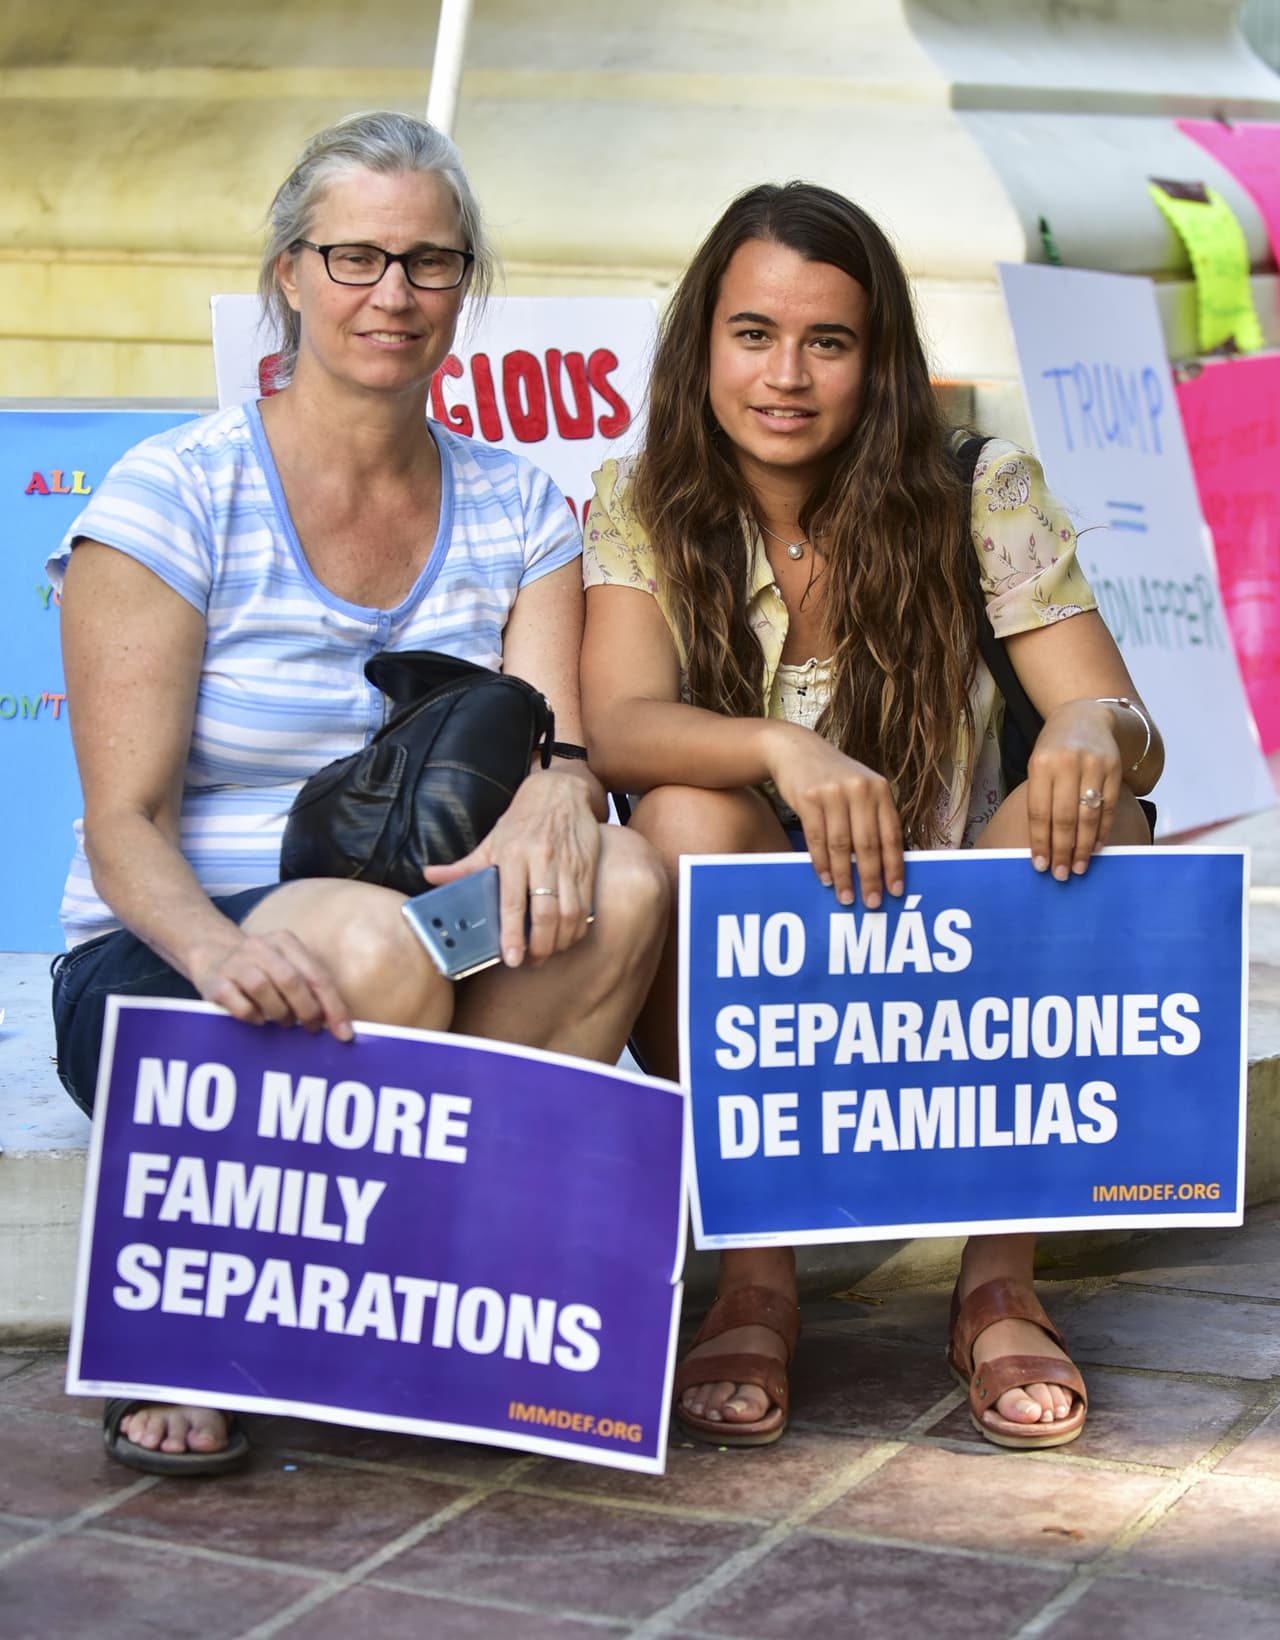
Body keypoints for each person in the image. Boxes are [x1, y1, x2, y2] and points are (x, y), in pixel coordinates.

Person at [48, 110, 667, 1476]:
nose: (395, 294)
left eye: (432, 264)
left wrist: (565, 784)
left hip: (416, 940)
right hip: (176, 965)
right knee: (377, 946)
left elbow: (560, 739)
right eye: (356, 258)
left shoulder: (520, 505)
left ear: (466, 287)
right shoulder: (176, 492)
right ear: (288, 273)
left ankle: (435, 1287)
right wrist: (218, 949)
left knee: (626, 883)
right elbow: (120, 826)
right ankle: (192, 1320)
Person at [580, 182, 1163, 1451]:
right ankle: (756, 1272)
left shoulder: (976, 486)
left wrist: (1085, 729)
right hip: (759, 984)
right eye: (752, 334)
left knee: (1097, 816)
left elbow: (1127, 725)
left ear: (874, 359)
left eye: (826, 342)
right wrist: (780, 749)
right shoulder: (641, 496)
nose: (784, 375)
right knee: (677, 814)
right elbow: (618, 722)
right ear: (702, 345)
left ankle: (997, 1274)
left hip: (951, 969)